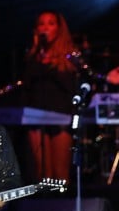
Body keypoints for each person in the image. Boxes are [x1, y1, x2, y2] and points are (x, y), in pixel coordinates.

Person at [19, 10, 81, 183]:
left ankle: (61, 206)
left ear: (59, 29)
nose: (45, 27)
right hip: (35, 118)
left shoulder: (70, 58)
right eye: (41, 24)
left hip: (61, 117)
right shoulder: (32, 58)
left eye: (50, 23)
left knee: (60, 176)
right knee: (40, 174)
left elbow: (73, 87)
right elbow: (25, 87)